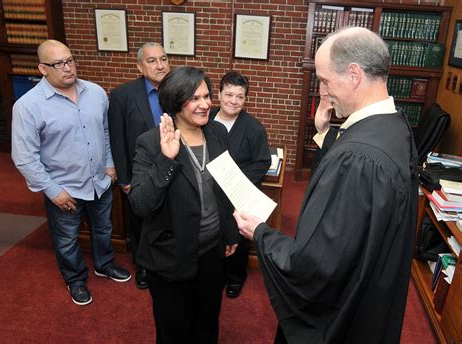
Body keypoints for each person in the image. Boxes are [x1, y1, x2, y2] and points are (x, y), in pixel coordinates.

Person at [233, 27, 419, 343]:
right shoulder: (395, 125)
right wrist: (325, 133)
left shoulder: (359, 158)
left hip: (341, 317)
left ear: (354, 75)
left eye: (325, 80)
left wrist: (262, 234)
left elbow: (315, 266)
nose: (322, 91)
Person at [11, 40, 131, 306]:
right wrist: (53, 191)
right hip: (65, 189)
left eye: (70, 60)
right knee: (66, 240)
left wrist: (110, 165)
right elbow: (24, 157)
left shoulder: (96, 92)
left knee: (103, 229)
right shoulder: (28, 106)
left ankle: (104, 264)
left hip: (100, 181)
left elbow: (105, 132)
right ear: (43, 68)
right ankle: (75, 279)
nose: (68, 68)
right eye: (58, 64)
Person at [128, 66, 239, 344]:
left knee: (207, 322)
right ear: (176, 102)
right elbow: (140, 204)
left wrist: (229, 231)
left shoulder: (217, 133)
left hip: (211, 252)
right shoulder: (152, 142)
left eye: (206, 96)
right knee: (174, 329)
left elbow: (225, 188)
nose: (205, 104)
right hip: (170, 257)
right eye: (195, 98)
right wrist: (166, 160)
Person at [108, 42, 170, 290]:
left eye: (163, 59)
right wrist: (124, 178)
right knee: (141, 221)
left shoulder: (177, 90)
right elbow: (117, 139)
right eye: (152, 60)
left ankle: (164, 261)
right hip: (139, 173)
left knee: (168, 218)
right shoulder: (122, 96)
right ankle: (143, 265)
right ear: (139, 66)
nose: (160, 65)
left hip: (171, 167)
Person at [210, 71, 271, 298]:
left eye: (240, 96)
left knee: (238, 237)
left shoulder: (253, 128)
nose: (233, 101)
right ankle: (216, 272)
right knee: (213, 233)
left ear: (246, 99)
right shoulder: (206, 118)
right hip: (209, 190)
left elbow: (262, 162)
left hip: (238, 193)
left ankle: (236, 277)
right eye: (229, 95)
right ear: (218, 94)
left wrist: (235, 180)